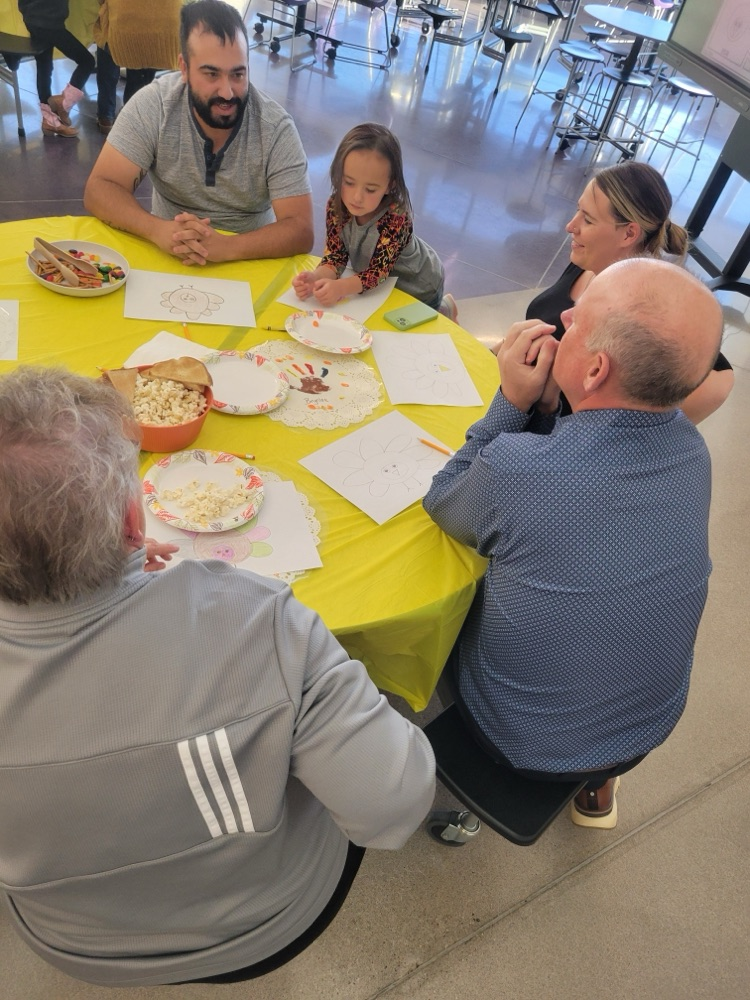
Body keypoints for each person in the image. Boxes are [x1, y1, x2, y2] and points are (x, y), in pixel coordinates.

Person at [0, 367, 435, 986]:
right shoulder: (263, 622)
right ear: (133, 523)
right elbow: (392, 809)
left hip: (68, 941)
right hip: (264, 923)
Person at [424, 258, 724, 830]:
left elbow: (446, 501)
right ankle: (597, 786)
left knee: (446, 596)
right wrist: (546, 410)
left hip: (515, 735)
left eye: (578, 318)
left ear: (594, 371)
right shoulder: (693, 449)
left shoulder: (518, 471)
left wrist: (510, 403)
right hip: (646, 726)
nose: (562, 314)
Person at [83, 0, 314, 265]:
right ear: (184, 68)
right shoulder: (154, 105)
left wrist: (226, 247)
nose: (227, 92)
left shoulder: (274, 127)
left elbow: (301, 229)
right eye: (211, 74)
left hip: (249, 260)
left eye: (238, 74)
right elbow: (100, 189)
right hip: (166, 253)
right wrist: (157, 229)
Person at [517, 162, 733, 423]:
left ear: (629, 233)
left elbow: (720, 375)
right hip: (513, 395)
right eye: (578, 211)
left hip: (545, 434)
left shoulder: (648, 306)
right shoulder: (587, 259)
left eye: (588, 219)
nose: (571, 226)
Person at [292, 122, 457, 320]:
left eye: (370, 189)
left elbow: (377, 273)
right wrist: (317, 278)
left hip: (419, 285)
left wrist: (340, 287)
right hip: (380, 287)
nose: (356, 197)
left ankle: (444, 308)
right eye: (349, 182)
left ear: (390, 185)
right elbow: (335, 256)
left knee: (410, 325)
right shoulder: (337, 207)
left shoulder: (397, 216)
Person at [93, 0, 182, 135]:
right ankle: (132, 115)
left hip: (124, 17)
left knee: (108, 56)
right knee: (144, 60)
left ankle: (106, 117)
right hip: (164, 19)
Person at [17, 0, 96, 138]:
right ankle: (64, 103)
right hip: (50, 20)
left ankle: (49, 120)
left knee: (44, 67)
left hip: (32, 18)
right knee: (87, 61)